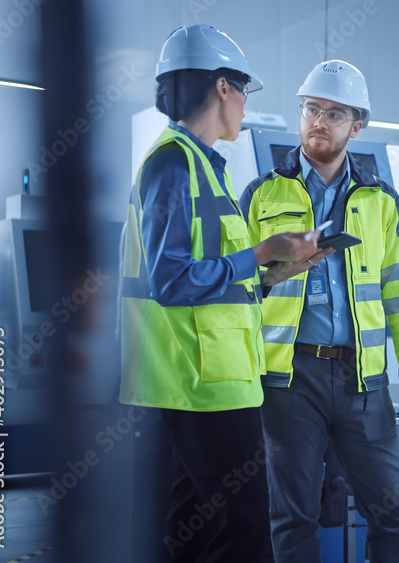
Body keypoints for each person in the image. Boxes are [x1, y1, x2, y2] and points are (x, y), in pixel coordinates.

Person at [119, 25, 332, 562]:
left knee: (189, 533)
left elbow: (216, 277)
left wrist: (275, 271)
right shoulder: (173, 165)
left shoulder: (203, 167)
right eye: (243, 91)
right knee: (245, 535)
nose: (244, 105)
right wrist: (261, 253)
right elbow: (172, 282)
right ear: (221, 88)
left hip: (211, 379)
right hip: (196, 382)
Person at [238, 59, 399, 562]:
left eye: (333, 113)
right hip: (286, 378)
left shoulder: (380, 201)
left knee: (393, 512)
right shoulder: (261, 194)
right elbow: (235, 284)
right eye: (310, 109)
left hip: (362, 380)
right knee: (292, 515)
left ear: (357, 125)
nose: (318, 121)